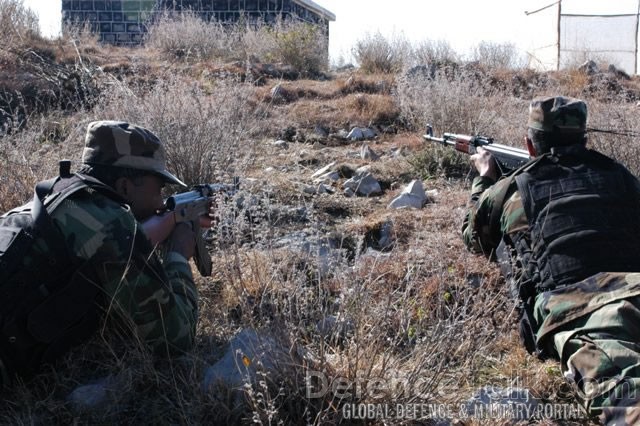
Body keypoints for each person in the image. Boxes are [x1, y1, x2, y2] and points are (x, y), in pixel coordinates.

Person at [462, 96, 640, 424]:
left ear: (529, 146)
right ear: (584, 138)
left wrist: (484, 177)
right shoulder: (619, 175)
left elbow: (474, 236)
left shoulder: (509, 191)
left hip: (585, 311)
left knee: (626, 401)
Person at [0, 121, 213, 384]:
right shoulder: (113, 224)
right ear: (124, 186)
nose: (161, 199)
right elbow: (176, 338)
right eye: (159, 188)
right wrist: (179, 253)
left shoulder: (56, 195)